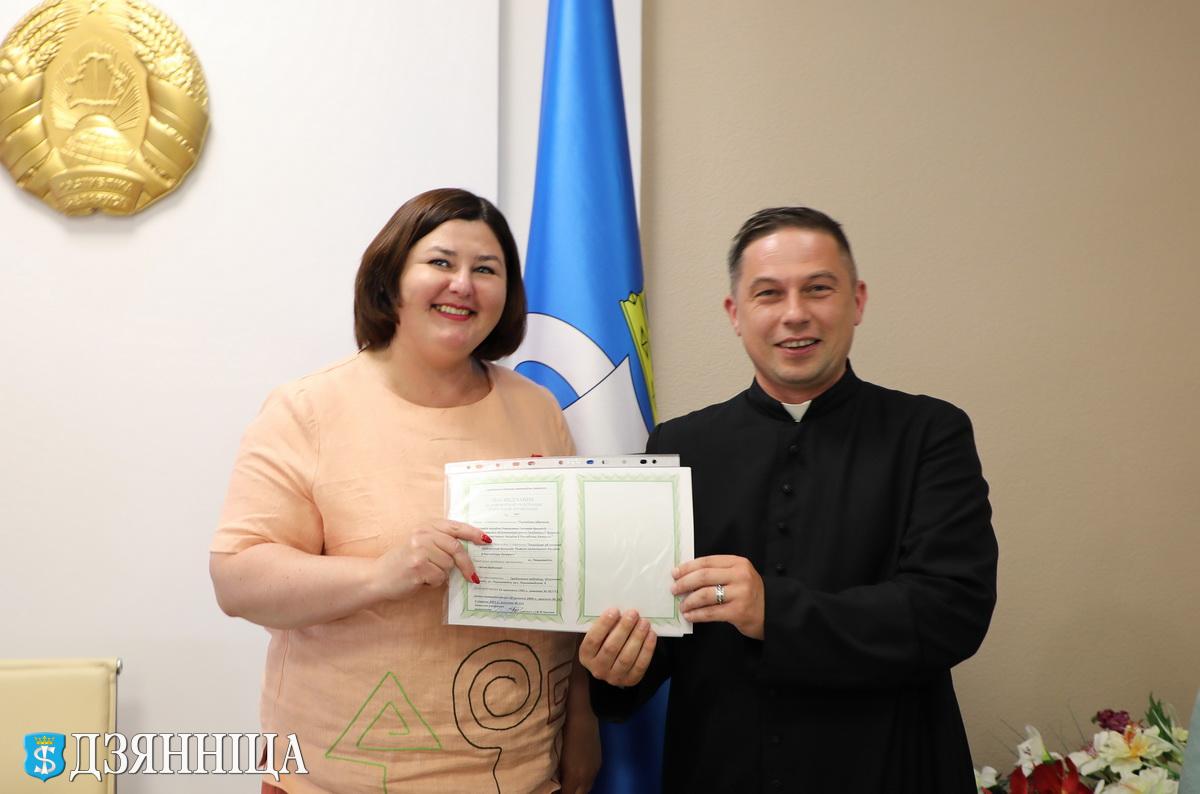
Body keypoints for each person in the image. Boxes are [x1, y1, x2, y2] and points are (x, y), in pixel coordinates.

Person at [579, 206, 998, 792]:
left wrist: (772, 610)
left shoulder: (929, 432)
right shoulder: (679, 444)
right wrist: (619, 667)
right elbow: (664, 636)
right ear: (736, 313)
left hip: (889, 766)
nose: (794, 313)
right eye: (769, 293)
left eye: (818, 289)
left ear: (857, 301)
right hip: (719, 770)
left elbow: (952, 612)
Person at [210, 188, 600, 794]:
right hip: (334, 778)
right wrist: (382, 574)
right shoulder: (307, 409)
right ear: (390, 280)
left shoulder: (537, 409)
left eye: (486, 270)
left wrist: (582, 722)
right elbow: (236, 580)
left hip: (518, 773)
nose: (462, 285)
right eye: (441, 262)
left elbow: (568, 585)